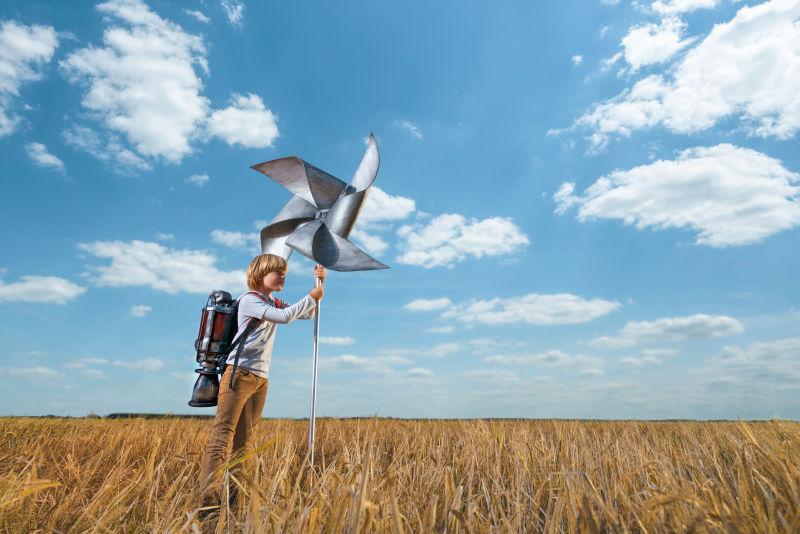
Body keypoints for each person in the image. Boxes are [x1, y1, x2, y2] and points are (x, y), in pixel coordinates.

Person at [198, 253, 325, 509]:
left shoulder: (272, 301)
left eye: (284, 273)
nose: (282, 276)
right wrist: (312, 295)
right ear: (260, 274)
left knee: (244, 443)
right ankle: (208, 504)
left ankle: (235, 501)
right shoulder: (249, 301)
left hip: (260, 378)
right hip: (239, 374)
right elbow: (286, 316)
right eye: (277, 272)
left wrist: (319, 284)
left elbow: (307, 315)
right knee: (222, 437)